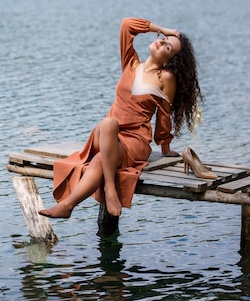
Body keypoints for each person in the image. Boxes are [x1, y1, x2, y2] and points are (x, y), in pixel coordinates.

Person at [39, 17, 203, 219]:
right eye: (163, 39)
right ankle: (110, 189)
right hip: (108, 134)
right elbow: (127, 25)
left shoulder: (165, 79)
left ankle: (68, 205)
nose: (161, 42)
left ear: (170, 61)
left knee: (101, 158)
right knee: (109, 123)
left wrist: (165, 149)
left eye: (167, 47)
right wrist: (162, 28)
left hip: (135, 142)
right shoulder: (131, 63)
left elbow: (164, 115)